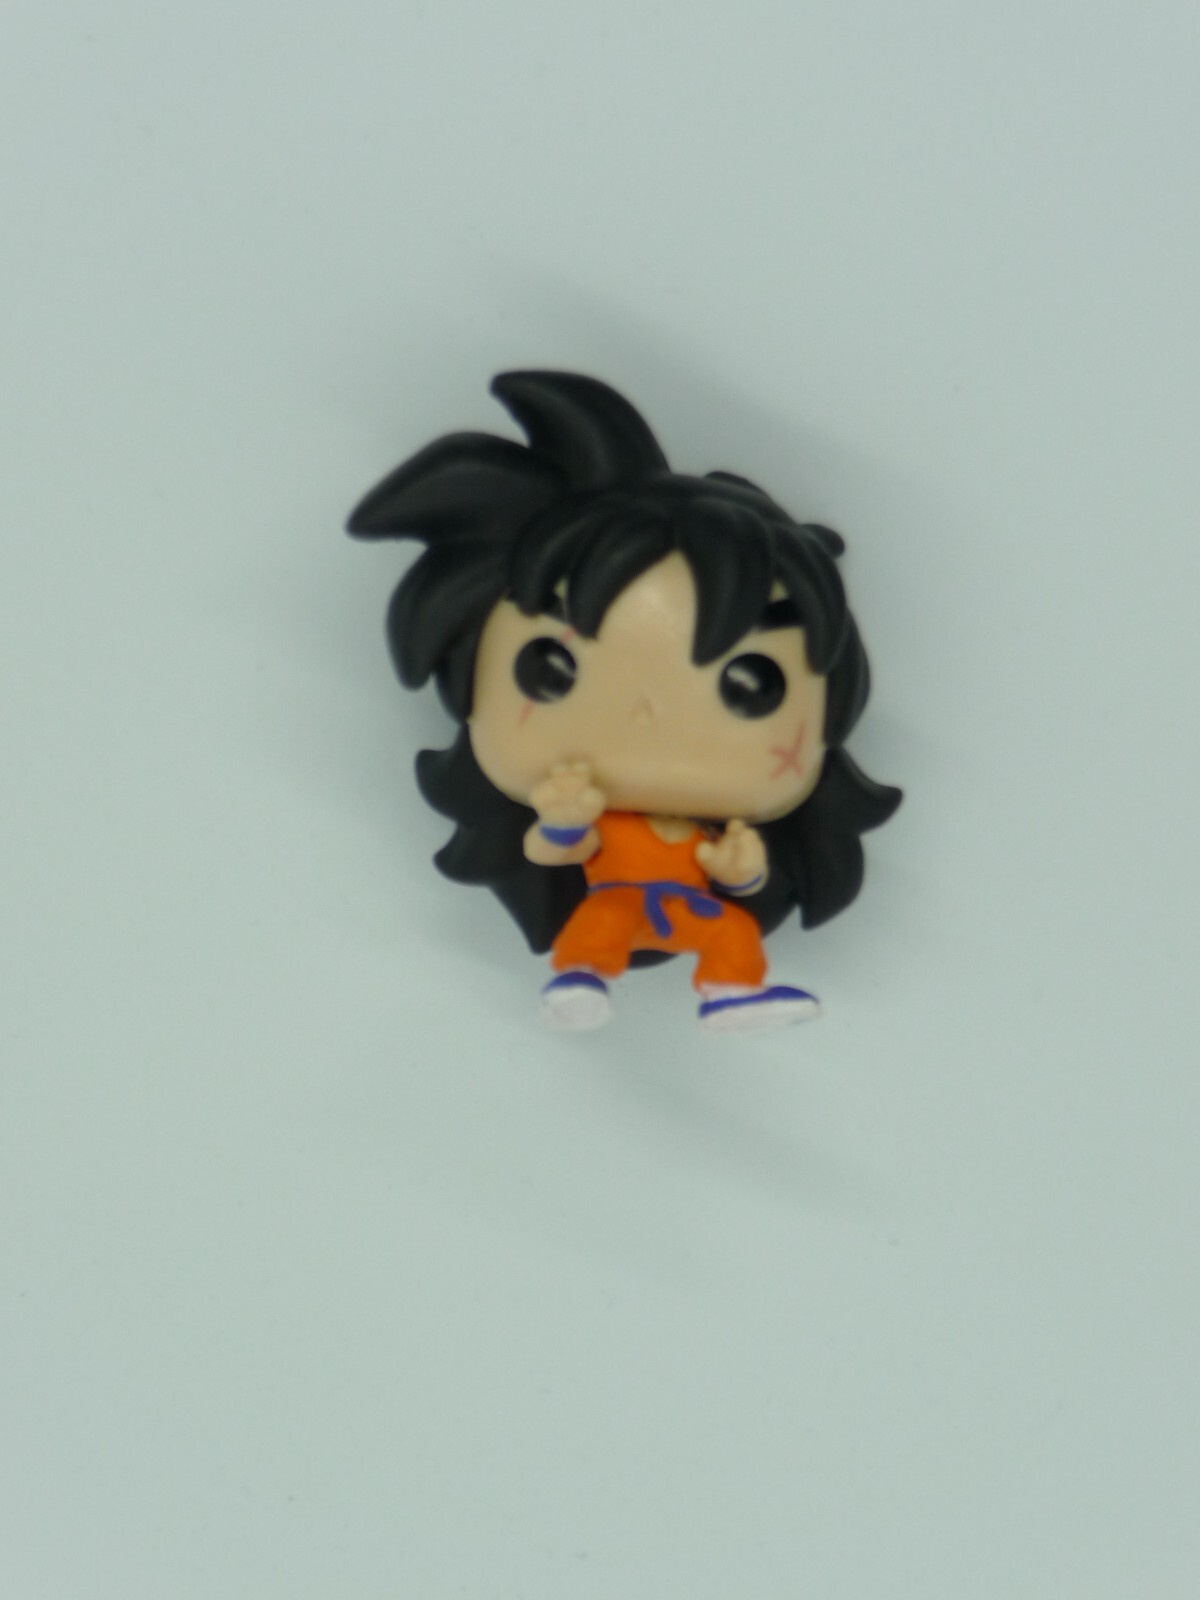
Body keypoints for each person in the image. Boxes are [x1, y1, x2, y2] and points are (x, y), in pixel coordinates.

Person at [348, 371, 900, 1031]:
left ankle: (731, 991)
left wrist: (741, 871)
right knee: (599, 924)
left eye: (750, 682)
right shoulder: (591, 813)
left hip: (690, 905)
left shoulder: (714, 830)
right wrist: (561, 821)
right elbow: (554, 849)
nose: (646, 716)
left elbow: (740, 884)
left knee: (731, 931)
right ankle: (581, 976)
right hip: (617, 900)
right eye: (551, 670)